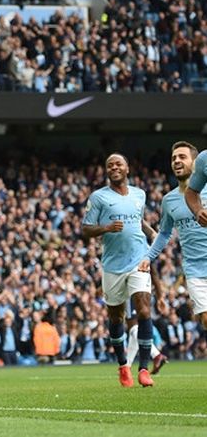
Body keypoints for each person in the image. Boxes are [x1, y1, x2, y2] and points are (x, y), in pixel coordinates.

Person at [82, 153, 157, 388]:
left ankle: (144, 369)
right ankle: (124, 365)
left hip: (139, 261)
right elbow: (85, 229)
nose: (114, 167)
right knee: (117, 317)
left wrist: (152, 234)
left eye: (118, 164)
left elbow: (138, 220)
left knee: (144, 311)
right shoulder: (99, 197)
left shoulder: (139, 194)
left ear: (127, 168)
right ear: (107, 171)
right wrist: (105, 228)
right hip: (113, 265)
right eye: (110, 165)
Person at [147, 141, 207, 332]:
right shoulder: (168, 200)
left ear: (196, 162)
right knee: (205, 318)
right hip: (195, 269)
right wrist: (147, 258)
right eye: (174, 158)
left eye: (182, 157)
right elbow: (164, 233)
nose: (177, 161)